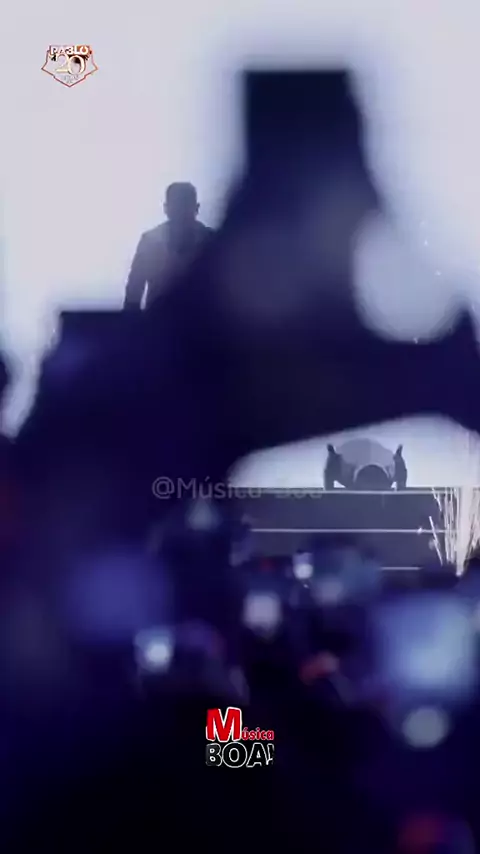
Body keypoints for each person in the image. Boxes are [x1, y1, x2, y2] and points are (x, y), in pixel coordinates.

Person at [123, 182, 213, 310]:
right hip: (198, 318)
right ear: (197, 208)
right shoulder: (210, 240)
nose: (181, 214)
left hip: (162, 318)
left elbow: (134, 290)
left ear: (166, 208)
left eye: (183, 208)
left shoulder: (150, 241)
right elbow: (134, 289)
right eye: (178, 208)